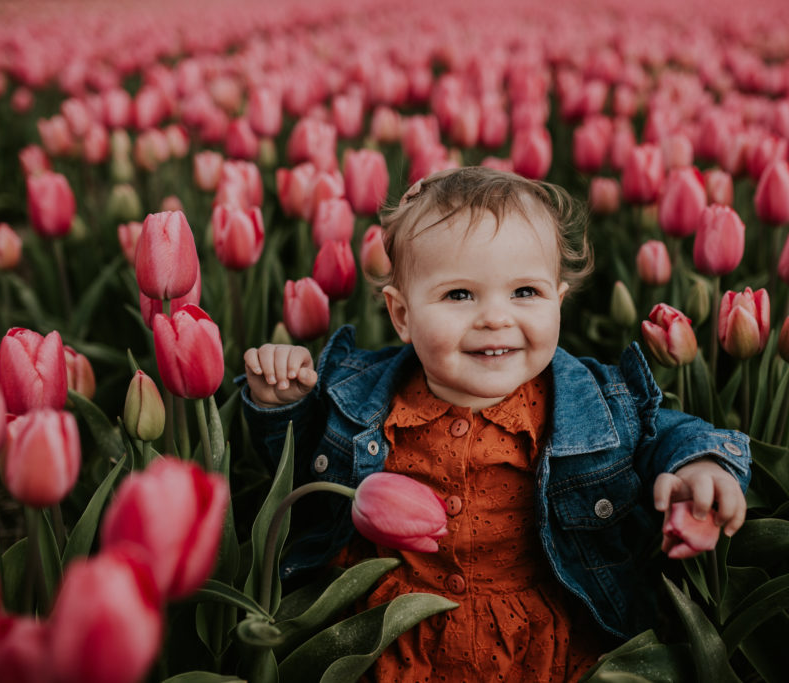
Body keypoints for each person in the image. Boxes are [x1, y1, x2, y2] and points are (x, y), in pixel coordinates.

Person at [242, 166, 750, 682]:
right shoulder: (359, 396)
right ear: (402, 315)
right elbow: (299, 468)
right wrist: (281, 402)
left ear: (559, 300)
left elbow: (665, 431)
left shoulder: (594, 405)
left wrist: (701, 465)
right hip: (389, 637)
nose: (495, 317)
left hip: (538, 643)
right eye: (460, 294)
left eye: (525, 292)